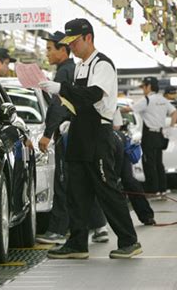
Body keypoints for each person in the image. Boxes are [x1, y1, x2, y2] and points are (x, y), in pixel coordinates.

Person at [39, 18, 141, 259]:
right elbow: (77, 100)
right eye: (69, 43)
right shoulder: (80, 67)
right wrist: (65, 115)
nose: (71, 47)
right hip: (78, 132)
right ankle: (77, 243)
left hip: (98, 134)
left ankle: (129, 240)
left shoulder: (102, 65)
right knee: (76, 191)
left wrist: (61, 89)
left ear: (88, 38)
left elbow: (93, 95)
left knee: (106, 189)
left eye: (74, 42)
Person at [36, 31, 109, 245]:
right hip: (80, 132)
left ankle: (58, 231)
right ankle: (99, 226)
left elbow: (58, 107)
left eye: (50, 48)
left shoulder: (64, 72)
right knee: (82, 181)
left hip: (67, 134)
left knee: (63, 182)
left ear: (63, 50)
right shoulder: (74, 69)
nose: (47, 53)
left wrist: (48, 134)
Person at [121, 77, 177, 196]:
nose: (143, 90)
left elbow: (128, 109)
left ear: (149, 86)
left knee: (149, 163)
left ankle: (153, 191)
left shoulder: (147, 100)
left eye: (144, 87)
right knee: (158, 163)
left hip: (149, 136)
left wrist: (115, 109)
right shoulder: (163, 100)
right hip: (160, 134)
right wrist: (171, 127)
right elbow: (174, 112)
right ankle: (162, 189)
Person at [113, 109, 156, 225]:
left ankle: (145, 216)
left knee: (128, 181)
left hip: (114, 143)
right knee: (124, 182)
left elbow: (117, 125)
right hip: (108, 143)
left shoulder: (112, 106)